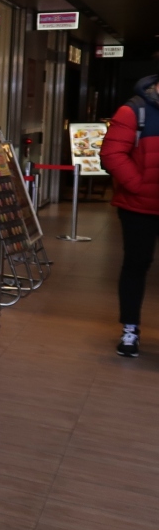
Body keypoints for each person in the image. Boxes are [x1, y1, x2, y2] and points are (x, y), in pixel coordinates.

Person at [100, 75, 159, 357]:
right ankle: (130, 329)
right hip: (138, 206)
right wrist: (140, 186)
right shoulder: (134, 110)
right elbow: (112, 153)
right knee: (136, 265)